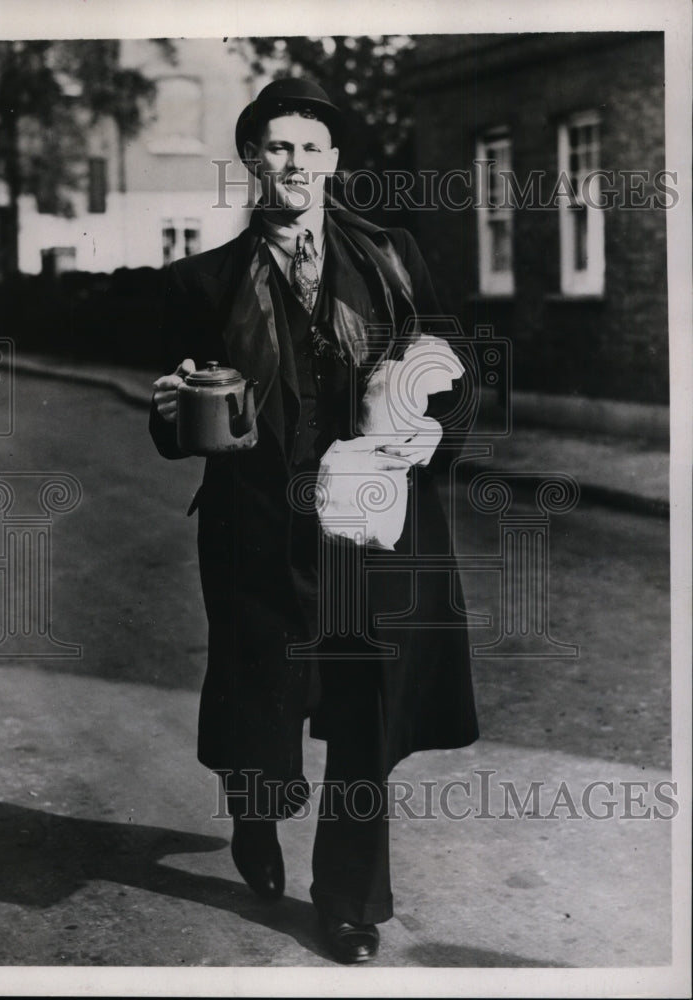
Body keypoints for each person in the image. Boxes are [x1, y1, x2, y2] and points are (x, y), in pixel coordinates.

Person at [150, 77, 478, 964]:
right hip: (259, 532)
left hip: (369, 530)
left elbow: (461, 371)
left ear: (334, 161)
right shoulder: (204, 281)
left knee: (365, 713)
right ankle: (255, 809)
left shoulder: (392, 259)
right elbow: (175, 424)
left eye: (312, 147)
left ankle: (349, 902)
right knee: (264, 704)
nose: (295, 163)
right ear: (252, 158)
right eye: (277, 146)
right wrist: (172, 408)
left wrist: (431, 431)